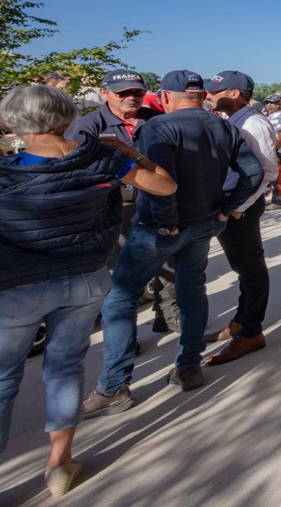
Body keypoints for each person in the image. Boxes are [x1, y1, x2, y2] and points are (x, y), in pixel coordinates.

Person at [0, 85, 176, 497]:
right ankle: (60, 463)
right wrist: (130, 152)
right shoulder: (102, 158)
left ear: (12, 123)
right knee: (65, 368)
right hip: (85, 276)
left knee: (4, 378)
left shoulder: (9, 171)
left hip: (18, 285)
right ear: (67, 116)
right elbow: (165, 186)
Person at [81, 70, 264, 416]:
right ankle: (189, 367)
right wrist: (227, 208)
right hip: (205, 221)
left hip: (163, 228)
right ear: (202, 96)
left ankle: (114, 385)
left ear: (165, 97)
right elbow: (253, 172)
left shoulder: (158, 127)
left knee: (119, 298)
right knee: (192, 290)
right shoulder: (224, 126)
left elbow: (162, 182)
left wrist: (168, 222)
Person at [64, 69, 177, 334]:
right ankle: (124, 334)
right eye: (122, 93)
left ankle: (169, 315)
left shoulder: (157, 120)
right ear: (105, 93)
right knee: (119, 273)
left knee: (167, 261)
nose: (131, 97)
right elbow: (74, 168)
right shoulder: (88, 126)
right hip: (113, 207)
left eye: (137, 92)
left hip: (158, 201)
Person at [203, 71, 279, 366]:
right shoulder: (235, 120)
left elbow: (267, 172)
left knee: (250, 268)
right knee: (242, 267)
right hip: (233, 203)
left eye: (215, 91)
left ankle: (251, 332)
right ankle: (241, 321)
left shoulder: (254, 123)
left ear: (235, 93)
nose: (208, 95)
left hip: (240, 206)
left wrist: (238, 207)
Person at [263, 94, 281, 210]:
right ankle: (279, 198)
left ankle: (279, 200)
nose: (269, 105)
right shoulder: (273, 115)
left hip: (278, 150)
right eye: (266, 102)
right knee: (274, 177)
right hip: (274, 150)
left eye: (272, 103)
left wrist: (274, 149)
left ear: (279, 104)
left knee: (277, 176)